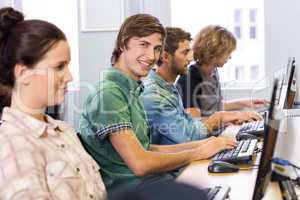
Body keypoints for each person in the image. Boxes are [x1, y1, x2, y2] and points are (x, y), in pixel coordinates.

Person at [79, 14, 238, 193]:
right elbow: (140, 163)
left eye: (156, 48)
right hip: (135, 192)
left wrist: (204, 144)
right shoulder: (109, 93)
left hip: (154, 182)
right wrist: (198, 152)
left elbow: (147, 148)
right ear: (123, 44)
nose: (152, 56)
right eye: (144, 45)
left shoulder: (130, 89)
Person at [0, 7, 106, 199]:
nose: (70, 76)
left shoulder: (65, 131)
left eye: (67, 66)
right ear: (23, 74)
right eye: (59, 67)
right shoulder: (12, 143)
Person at [141, 27, 262, 145]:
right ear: (166, 57)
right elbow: (188, 136)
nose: (190, 58)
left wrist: (225, 120)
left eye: (189, 51)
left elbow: (189, 124)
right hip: (176, 160)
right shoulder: (154, 95)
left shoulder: (168, 88)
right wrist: (221, 118)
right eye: (185, 52)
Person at [176, 25, 268, 117]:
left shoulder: (214, 72)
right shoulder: (190, 77)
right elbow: (190, 117)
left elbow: (214, 107)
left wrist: (245, 103)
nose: (230, 57)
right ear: (216, 51)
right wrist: (234, 116)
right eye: (228, 53)